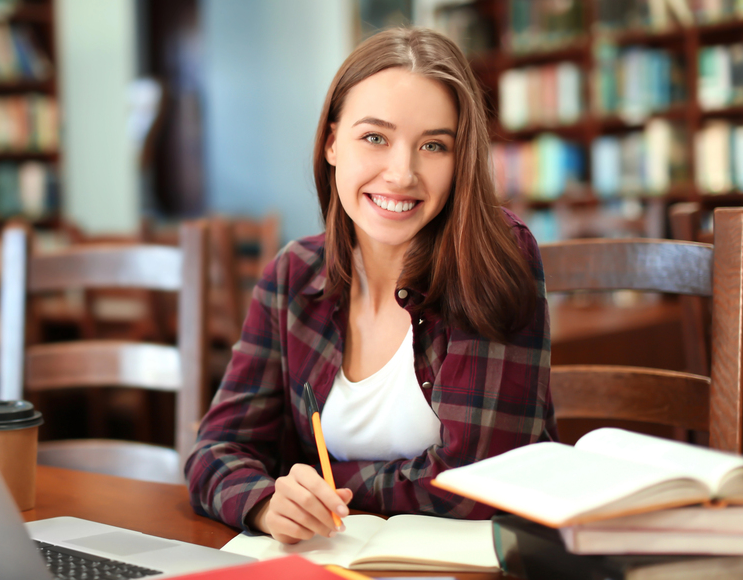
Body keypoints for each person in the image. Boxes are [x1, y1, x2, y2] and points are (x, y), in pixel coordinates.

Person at [185, 27, 557, 545]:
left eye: (433, 145)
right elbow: (214, 451)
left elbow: (478, 482)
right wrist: (268, 503)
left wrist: (324, 482)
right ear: (332, 142)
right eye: (375, 138)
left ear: (460, 161)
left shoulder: (494, 257)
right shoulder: (292, 275)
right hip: (330, 562)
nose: (402, 174)